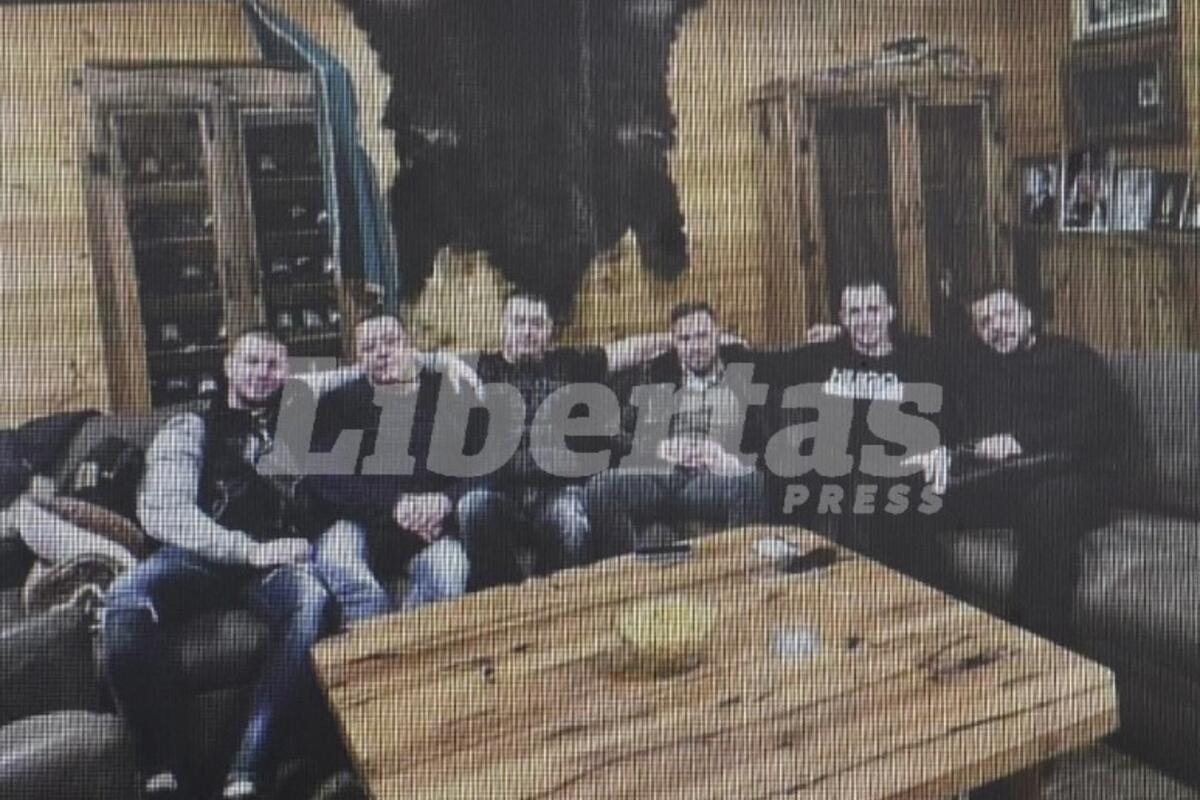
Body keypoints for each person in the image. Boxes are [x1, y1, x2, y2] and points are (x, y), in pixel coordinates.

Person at [101, 329, 340, 800]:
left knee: (313, 599)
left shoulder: (300, 423)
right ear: (228, 366)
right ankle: (163, 771)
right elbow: (165, 512)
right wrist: (246, 549)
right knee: (124, 597)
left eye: (274, 364)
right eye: (251, 361)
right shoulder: (190, 426)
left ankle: (248, 772)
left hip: (271, 565)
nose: (262, 374)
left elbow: (361, 377)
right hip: (201, 559)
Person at [935, 287, 1127, 643]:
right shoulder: (977, 364)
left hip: (1076, 475)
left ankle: (1038, 647)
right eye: (985, 322)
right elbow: (914, 357)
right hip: (1008, 479)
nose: (996, 326)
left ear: (1029, 316)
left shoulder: (1070, 355)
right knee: (912, 497)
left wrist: (1021, 440)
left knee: (1045, 504)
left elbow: (1101, 421)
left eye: (1005, 314)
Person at [455, 292, 680, 587]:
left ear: (550, 329)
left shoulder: (570, 363)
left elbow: (629, 351)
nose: (527, 331)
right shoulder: (479, 367)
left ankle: (559, 601)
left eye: (537, 323)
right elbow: (418, 365)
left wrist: (681, 339)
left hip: (557, 491)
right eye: (518, 322)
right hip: (502, 495)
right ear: (504, 325)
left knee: (570, 521)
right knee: (472, 506)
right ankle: (508, 599)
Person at [760, 281, 950, 580]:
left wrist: (940, 445)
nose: (865, 320)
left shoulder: (920, 357)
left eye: (873, 310)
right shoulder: (825, 355)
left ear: (890, 312)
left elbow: (950, 409)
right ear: (842, 318)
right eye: (854, 312)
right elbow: (763, 365)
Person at [302, 314, 480, 612]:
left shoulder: (448, 392)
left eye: (390, 341)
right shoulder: (337, 401)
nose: (382, 352)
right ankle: (373, 633)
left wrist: (445, 501)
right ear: (357, 358)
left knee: (450, 573)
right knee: (341, 563)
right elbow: (324, 475)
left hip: (430, 525)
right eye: (369, 347)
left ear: (411, 345)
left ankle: (408, 636)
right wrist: (394, 504)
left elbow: (484, 464)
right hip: (360, 522)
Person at [586, 302, 768, 558]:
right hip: (659, 476)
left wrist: (730, 459)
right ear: (674, 342)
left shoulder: (742, 376)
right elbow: (615, 433)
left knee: (754, 483)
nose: (695, 346)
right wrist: (658, 448)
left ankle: (735, 571)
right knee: (601, 487)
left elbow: (763, 439)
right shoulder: (655, 375)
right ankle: (625, 575)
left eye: (702, 336)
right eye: (685, 339)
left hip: (711, 478)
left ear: (717, 335)